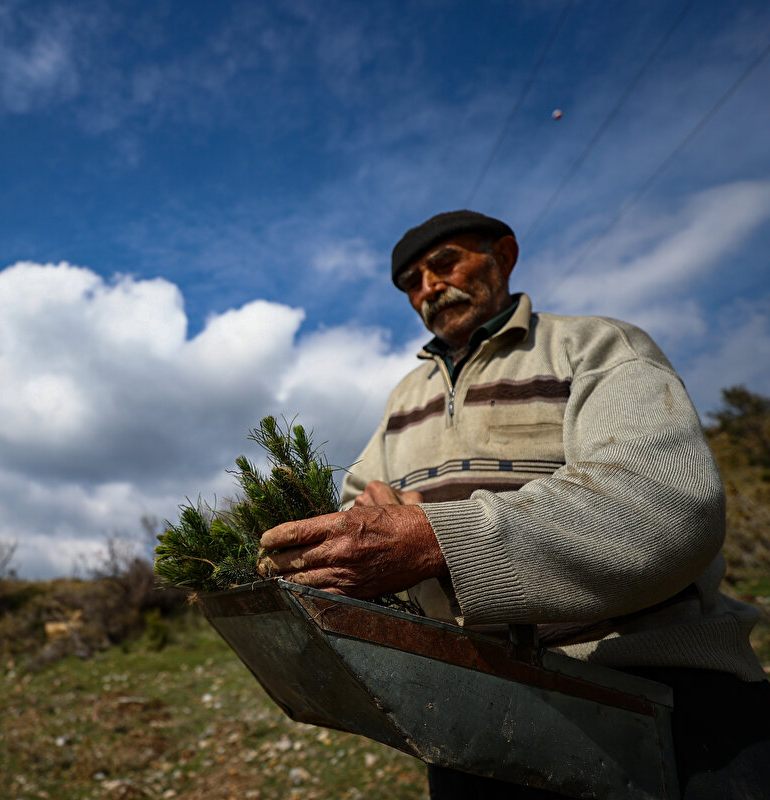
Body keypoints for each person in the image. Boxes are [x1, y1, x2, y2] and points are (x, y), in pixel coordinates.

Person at [258, 210, 770, 799]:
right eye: (412, 283)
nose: (429, 287)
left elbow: (666, 504)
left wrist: (436, 535)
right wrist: (366, 530)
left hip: (660, 693)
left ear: (502, 255)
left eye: (445, 263)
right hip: (475, 703)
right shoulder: (403, 398)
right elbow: (360, 512)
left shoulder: (595, 345)